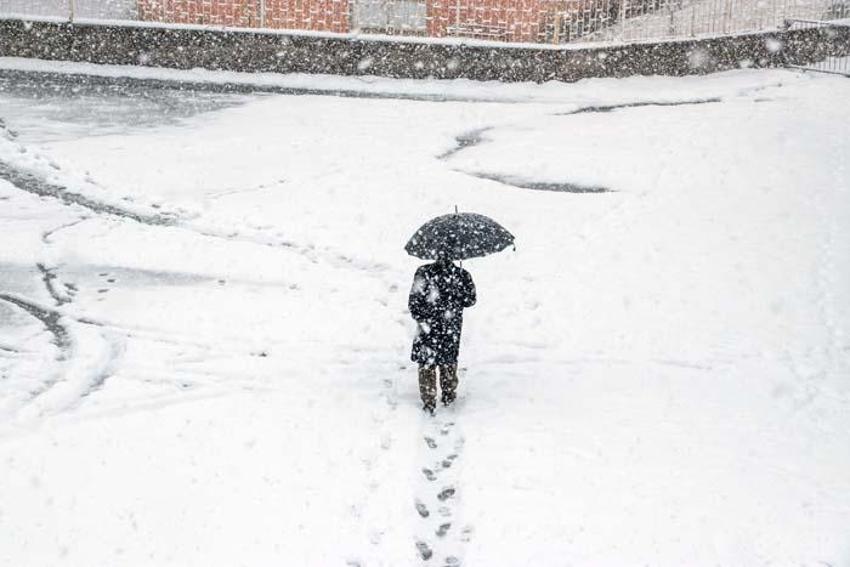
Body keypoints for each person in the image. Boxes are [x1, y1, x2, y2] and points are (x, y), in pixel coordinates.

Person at [408, 252, 476, 414]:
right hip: (449, 326)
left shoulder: (423, 272)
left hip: (428, 326)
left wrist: (424, 315)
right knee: (448, 361)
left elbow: (414, 302)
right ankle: (448, 396)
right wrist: (458, 292)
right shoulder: (461, 275)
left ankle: (429, 400)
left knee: (427, 363)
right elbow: (470, 300)